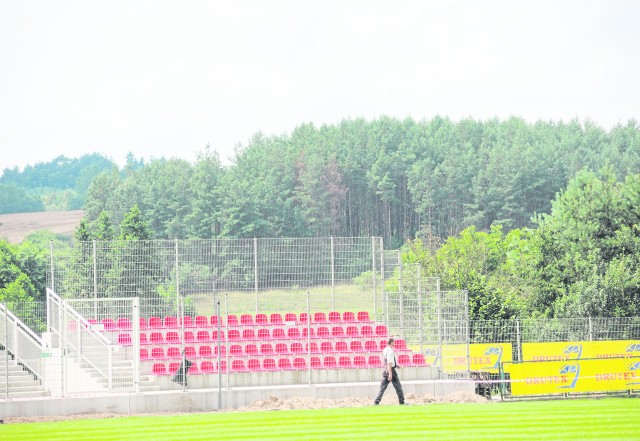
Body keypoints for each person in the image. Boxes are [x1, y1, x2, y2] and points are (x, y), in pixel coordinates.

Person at [374, 337, 407, 405]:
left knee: (382, 387)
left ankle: (376, 401)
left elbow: (388, 361)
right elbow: (389, 362)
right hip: (390, 371)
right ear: (391, 342)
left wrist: (395, 365)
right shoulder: (390, 351)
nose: (394, 343)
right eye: (394, 342)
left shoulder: (385, 349)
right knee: (398, 387)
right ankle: (402, 402)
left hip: (386, 369)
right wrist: (390, 374)